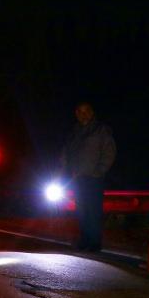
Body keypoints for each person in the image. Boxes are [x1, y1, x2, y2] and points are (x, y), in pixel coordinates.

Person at [60, 101, 117, 251]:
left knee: (93, 211)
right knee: (82, 210)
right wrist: (64, 170)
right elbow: (66, 153)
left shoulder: (100, 130)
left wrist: (99, 171)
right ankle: (85, 241)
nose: (82, 114)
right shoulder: (74, 132)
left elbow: (109, 152)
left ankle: (94, 243)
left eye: (85, 111)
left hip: (94, 177)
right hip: (77, 178)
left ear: (91, 112)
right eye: (79, 112)